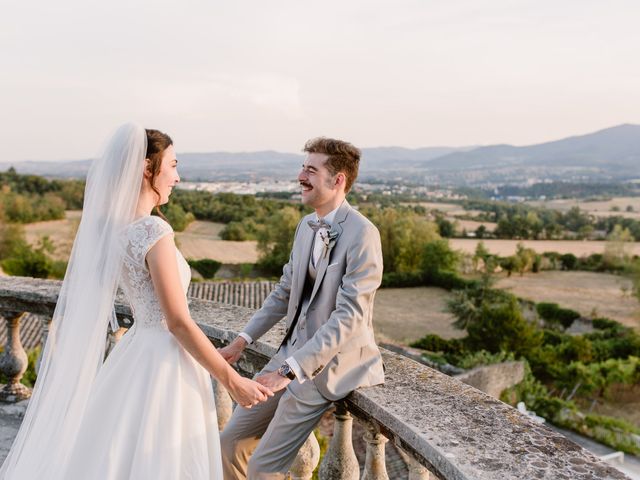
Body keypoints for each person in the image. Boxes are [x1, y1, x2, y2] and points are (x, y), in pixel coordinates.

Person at [0, 124, 272, 480]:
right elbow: (176, 320)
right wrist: (232, 380)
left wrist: (205, 354)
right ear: (148, 169)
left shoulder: (117, 229)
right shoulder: (153, 230)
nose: (177, 176)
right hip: (164, 361)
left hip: (137, 351)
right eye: (172, 165)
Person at [219, 137, 385, 479]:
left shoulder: (363, 234)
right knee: (230, 443)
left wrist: (287, 372)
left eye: (311, 169)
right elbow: (284, 292)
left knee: (264, 467)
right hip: (288, 356)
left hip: (327, 366)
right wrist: (242, 340)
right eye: (302, 167)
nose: (301, 176)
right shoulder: (306, 227)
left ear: (337, 180)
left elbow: (349, 317)